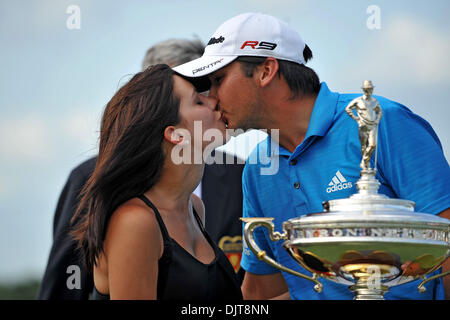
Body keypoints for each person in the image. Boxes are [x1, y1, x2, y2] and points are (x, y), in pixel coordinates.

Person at [173, 12, 450, 300]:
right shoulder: (257, 168)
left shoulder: (380, 121)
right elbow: (262, 293)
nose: (213, 97)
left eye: (218, 79)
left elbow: (447, 245)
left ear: (266, 71)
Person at [37, 39, 245, 300]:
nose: (215, 101)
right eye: (199, 101)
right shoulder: (136, 223)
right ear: (176, 134)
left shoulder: (194, 208)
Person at [345, 80, 382, 170]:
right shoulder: (358, 101)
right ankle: (366, 164)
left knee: (373, 145)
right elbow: (348, 109)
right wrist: (355, 118)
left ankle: (364, 160)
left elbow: (379, 111)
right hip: (363, 125)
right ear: (364, 90)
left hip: (372, 125)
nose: (369, 91)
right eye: (367, 89)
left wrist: (377, 119)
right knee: (364, 146)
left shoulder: (375, 101)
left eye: (370, 89)